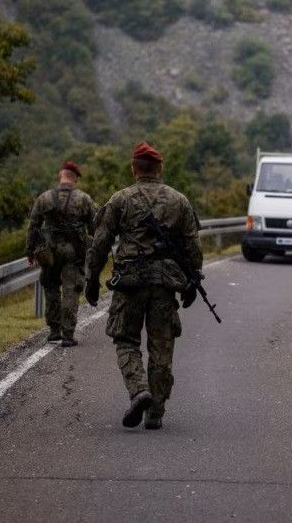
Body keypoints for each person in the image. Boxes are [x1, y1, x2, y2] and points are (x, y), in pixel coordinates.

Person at [84, 142, 203, 430]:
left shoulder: (120, 199)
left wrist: (91, 279)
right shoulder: (179, 201)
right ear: (159, 168)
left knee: (126, 339)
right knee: (161, 345)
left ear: (133, 169)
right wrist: (193, 280)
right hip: (164, 284)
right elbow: (192, 246)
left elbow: (100, 243)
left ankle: (139, 390)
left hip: (130, 283)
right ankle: (156, 412)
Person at [26, 161, 97, 347]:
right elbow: (94, 228)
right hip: (74, 252)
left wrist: (30, 252)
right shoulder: (84, 199)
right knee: (71, 290)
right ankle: (68, 334)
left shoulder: (44, 198)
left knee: (51, 287)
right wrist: (93, 249)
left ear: (61, 175)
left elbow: (33, 226)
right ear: (75, 178)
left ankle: (54, 330)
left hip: (49, 251)